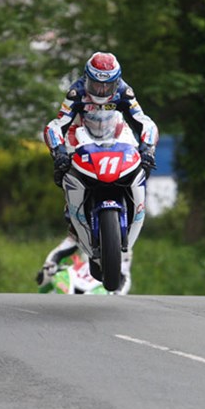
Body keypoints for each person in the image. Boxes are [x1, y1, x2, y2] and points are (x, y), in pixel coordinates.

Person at [40, 51, 159, 295]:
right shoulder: (76, 92)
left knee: (142, 162)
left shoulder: (125, 92)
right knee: (65, 168)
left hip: (116, 136)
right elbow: (57, 124)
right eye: (96, 84)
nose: (102, 90)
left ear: (117, 80)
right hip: (83, 137)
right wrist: (59, 153)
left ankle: (132, 200)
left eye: (108, 85)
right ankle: (72, 209)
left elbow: (143, 120)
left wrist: (147, 148)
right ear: (87, 79)